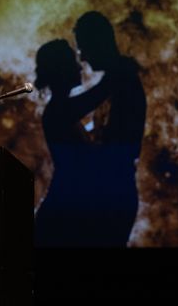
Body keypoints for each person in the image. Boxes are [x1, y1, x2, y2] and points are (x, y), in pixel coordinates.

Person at [73, 10, 147, 246]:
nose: (82, 57)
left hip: (112, 193)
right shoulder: (116, 79)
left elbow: (120, 146)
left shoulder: (121, 79)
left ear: (98, 43)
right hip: (112, 191)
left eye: (83, 47)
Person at [33, 38, 113, 247]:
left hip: (65, 208)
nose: (79, 66)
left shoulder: (60, 110)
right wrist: (119, 69)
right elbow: (100, 92)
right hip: (63, 213)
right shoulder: (58, 110)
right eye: (72, 61)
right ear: (61, 69)